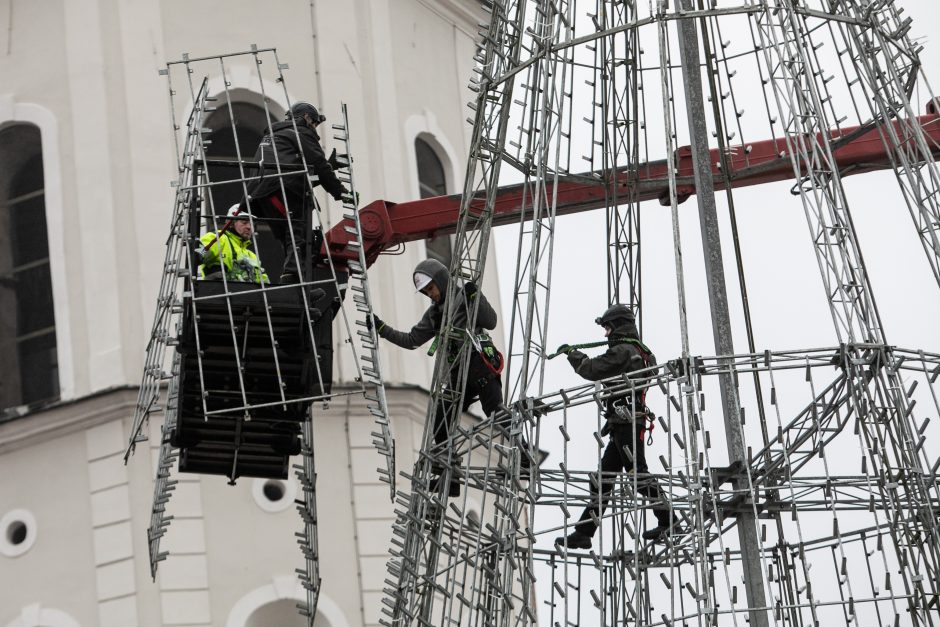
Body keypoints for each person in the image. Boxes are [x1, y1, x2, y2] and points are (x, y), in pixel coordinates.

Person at [371, 258, 509, 496]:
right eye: (425, 292)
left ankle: (524, 455)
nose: (430, 295)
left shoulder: (465, 298)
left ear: (442, 281)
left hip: (480, 367)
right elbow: (412, 340)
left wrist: (476, 296)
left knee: (496, 412)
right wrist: (382, 329)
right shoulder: (435, 315)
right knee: (441, 424)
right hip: (457, 375)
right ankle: (449, 478)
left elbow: (490, 321)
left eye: (431, 288)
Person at [554, 304, 678, 550]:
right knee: (604, 479)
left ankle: (669, 520)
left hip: (626, 423)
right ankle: (584, 532)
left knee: (637, 474)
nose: (605, 334)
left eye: (608, 328)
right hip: (627, 422)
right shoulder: (643, 353)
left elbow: (591, 369)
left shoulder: (623, 351)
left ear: (618, 326)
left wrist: (573, 354)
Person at [245, 101, 348, 283]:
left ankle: (296, 279)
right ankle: (294, 278)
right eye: (315, 123)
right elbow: (318, 163)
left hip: (261, 196)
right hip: (280, 190)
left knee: (290, 238)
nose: (315, 129)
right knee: (299, 232)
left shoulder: (275, 136)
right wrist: (341, 192)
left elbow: (295, 173)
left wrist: (329, 166)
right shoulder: (300, 132)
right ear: (307, 118)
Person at [197, 204, 269, 284]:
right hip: (219, 294)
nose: (249, 227)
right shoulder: (219, 238)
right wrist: (199, 254)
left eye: (252, 224)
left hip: (248, 296)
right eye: (244, 222)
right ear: (231, 223)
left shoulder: (252, 256)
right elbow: (198, 252)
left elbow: (266, 286)